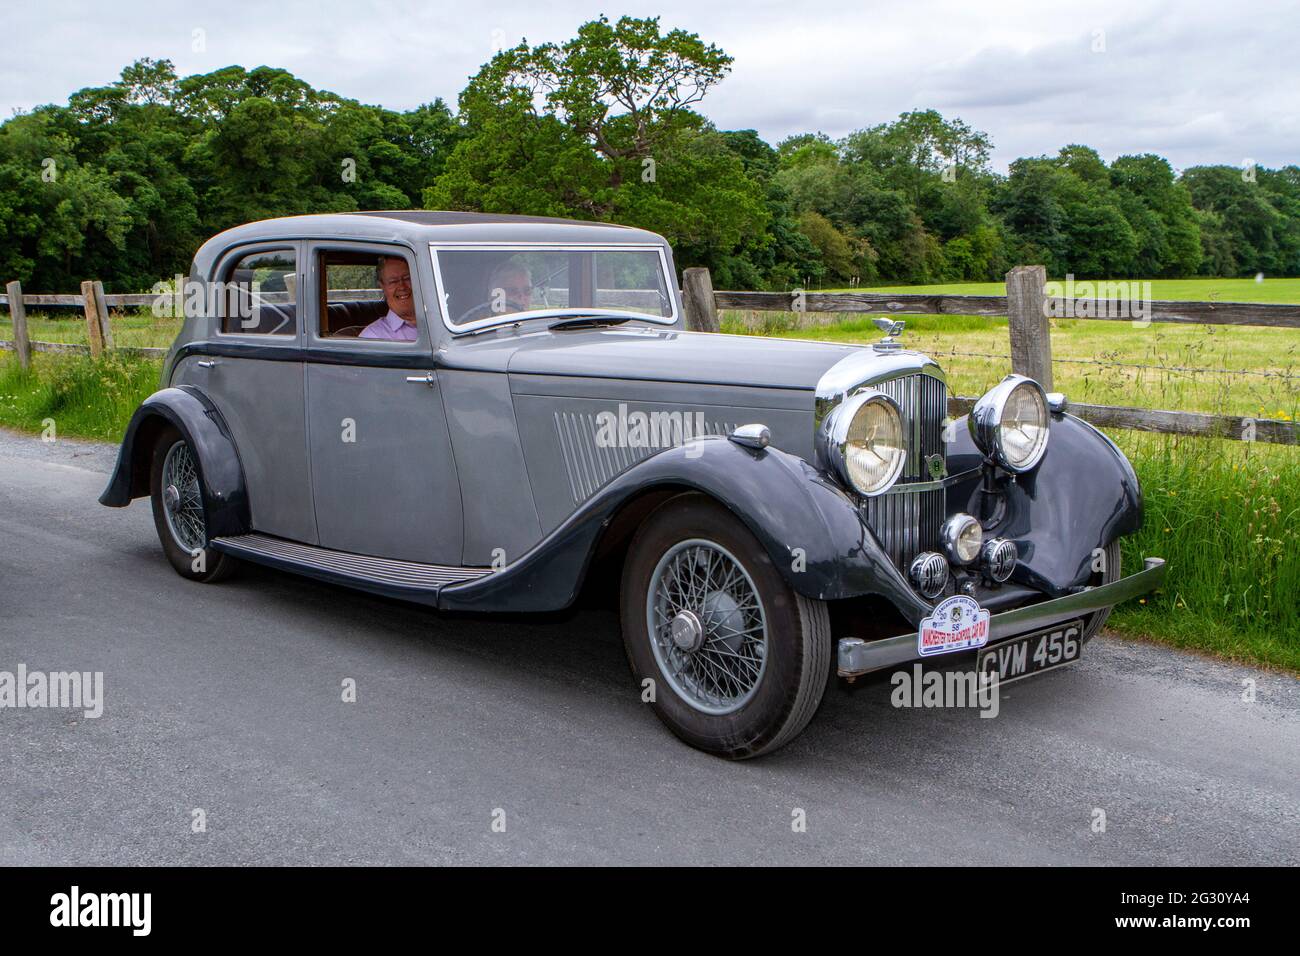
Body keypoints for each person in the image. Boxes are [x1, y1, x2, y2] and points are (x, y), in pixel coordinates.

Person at [359, 256, 418, 341]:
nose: (402, 286)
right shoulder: (372, 337)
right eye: (393, 281)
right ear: (382, 286)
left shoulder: (441, 320)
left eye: (407, 278)